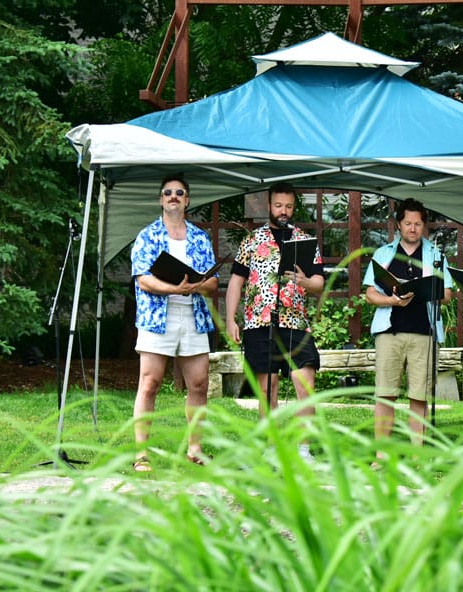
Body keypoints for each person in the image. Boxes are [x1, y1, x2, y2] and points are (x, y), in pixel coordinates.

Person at [225, 182, 325, 463]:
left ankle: (303, 450)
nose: (284, 211)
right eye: (279, 206)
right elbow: (236, 281)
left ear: (294, 208)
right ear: (269, 206)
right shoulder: (252, 240)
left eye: (289, 206)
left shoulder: (304, 240)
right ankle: (270, 447)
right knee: (267, 386)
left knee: (305, 382)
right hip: (260, 321)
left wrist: (306, 281)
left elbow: (319, 282)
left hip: (295, 322)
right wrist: (231, 318)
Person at [130, 175, 218, 472]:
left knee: (199, 383)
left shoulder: (200, 237)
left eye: (179, 193)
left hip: (193, 316)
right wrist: (174, 289)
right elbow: (143, 279)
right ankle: (141, 454)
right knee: (150, 383)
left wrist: (197, 287)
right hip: (158, 316)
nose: (173, 197)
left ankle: (195, 449)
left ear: (187, 200)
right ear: (160, 199)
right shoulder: (147, 235)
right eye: (167, 193)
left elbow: (213, 282)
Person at [362, 198, 453, 461]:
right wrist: (392, 300)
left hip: (424, 332)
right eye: (407, 223)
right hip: (389, 332)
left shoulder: (435, 255)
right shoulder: (383, 254)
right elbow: (370, 294)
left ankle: (417, 456)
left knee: (419, 396)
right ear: (399, 225)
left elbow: (446, 294)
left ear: (424, 226)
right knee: (385, 394)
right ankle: (381, 455)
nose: (412, 229)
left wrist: (426, 292)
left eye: (417, 224)